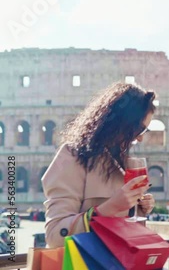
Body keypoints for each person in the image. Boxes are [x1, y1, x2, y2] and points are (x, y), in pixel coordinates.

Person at [42, 82, 157, 248]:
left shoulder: (121, 159)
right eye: (140, 129)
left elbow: (125, 220)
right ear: (121, 121)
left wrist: (140, 207)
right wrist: (109, 208)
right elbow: (54, 235)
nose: (140, 138)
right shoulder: (72, 155)